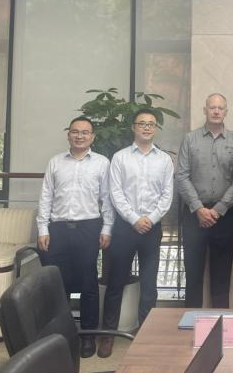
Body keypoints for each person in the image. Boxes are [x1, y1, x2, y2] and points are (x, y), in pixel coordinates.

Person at [36, 116, 114, 358]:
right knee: (58, 284)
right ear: (68, 134)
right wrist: (43, 228)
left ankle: (87, 336)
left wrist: (107, 228)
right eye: (75, 131)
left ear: (93, 137)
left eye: (85, 132)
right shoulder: (55, 162)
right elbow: (46, 196)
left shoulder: (102, 163)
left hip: (88, 228)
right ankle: (60, 336)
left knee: (88, 283)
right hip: (57, 229)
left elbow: (107, 198)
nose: (80, 136)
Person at [99, 108, 174, 358]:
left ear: (155, 128)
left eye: (151, 124)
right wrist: (134, 219)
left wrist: (149, 220)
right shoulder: (120, 158)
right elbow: (115, 193)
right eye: (142, 123)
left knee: (149, 285)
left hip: (151, 229)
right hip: (124, 228)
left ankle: (146, 334)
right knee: (115, 283)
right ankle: (108, 334)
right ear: (133, 127)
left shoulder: (164, 160)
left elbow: (167, 195)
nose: (146, 127)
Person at [176, 93, 233, 308]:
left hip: (224, 216)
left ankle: (222, 321)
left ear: (226, 112)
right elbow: (181, 176)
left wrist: (218, 209)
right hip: (194, 215)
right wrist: (199, 208)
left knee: (222, 274)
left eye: (220, 108)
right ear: (204, 110)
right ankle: (191, 321)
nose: (216, 111)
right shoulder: (190, 139)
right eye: (212, 107)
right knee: (193, 274)